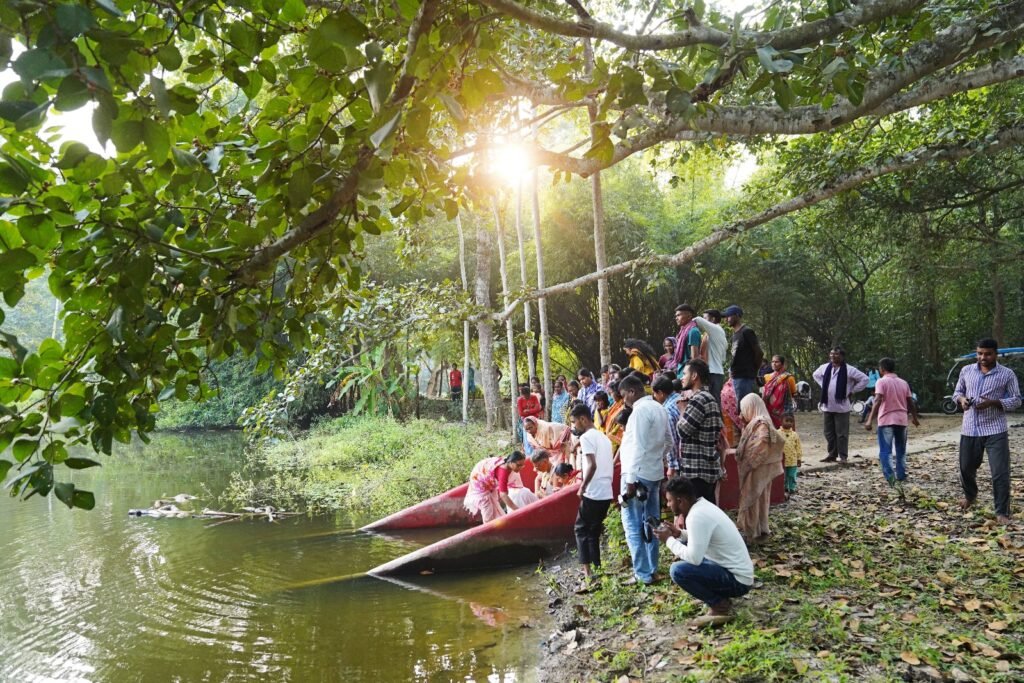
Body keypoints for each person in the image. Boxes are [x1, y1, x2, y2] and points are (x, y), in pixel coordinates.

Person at [653, 477, 754, 626]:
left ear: (680, 501)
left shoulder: (696, 516)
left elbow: (694, 558)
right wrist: (679, 534)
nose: (668, 505)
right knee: (689, 563)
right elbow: (702, 538)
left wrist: (668, 540)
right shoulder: (702, 506)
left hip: (738, 581)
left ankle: (719, 606)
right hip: (738, 574)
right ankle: (717, 597)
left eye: (669, 500)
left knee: (678, 570)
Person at [952, 339, 1021, 524]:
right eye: (980, 353)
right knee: (966, 468)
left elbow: (1016, 400)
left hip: (995, 430)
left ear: (995, 354)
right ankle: (970, 496)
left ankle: (1002, 512)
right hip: (969, 428)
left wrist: (994, 402)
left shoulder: (1007, 374)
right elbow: (957, 392)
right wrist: (962, 401)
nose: (983, 357)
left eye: (988, 354)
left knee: (1000, 472)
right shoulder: (966, 370)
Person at [617, 373, 672, 585]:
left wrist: (630, 480)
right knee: (652, 521)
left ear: (632, 391)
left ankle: (642, 573)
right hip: (654, 472)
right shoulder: (659, 408)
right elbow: (668, 441)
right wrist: (658, 459)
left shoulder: (639, 413)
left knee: (632, 523)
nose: (624, 401)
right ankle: (652, 568)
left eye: (624, 395)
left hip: (637, 474)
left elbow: (637, 447)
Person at [727, 394, 784, 543]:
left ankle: (752, 532)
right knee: (758, 498)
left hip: (757, 468)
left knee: (753, 498)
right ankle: (758, 529)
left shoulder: (761, 423)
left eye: (744, 408)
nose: (741, 414)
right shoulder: (758, 422)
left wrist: (748, 462)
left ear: (751, 407)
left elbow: (761, 445)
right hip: (758, 468)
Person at [570, 402, 615, 582]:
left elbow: (592, 465)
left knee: (580, 529)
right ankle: (597, 567)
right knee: (594, 531)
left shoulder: (587, 437)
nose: (574, 426)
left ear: (583, 419)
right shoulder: (602, 437)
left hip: (594, 491)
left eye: (575, 422)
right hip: (606, 491)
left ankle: (587, 572)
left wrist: (583, 486)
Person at [863, 357, 920, 485]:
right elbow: (910, 402)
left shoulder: (881, 382)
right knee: (901, 449)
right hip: (901, 420)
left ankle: (890, 477)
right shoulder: (903, 383)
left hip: (886, 420)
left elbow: (877, 400)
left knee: (885, 450)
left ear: (882, 369)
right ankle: (901, 475)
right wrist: (914, 418)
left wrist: (869, 420)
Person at [675, 360, 725, 505]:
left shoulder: (698, 400)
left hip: (697, 471)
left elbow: (683, 431)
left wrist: (682, 410)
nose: (682, 377)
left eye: (684, 374)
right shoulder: (709, 398)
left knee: (698, 515)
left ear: (694, 376)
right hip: (706, 468)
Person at [812, 347, 869, 463]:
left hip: (842, 407)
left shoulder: (849, 370)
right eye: (832, 354)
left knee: (841, 433)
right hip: (827, 405)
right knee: (828, 432)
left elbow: (865, 379)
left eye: (836, 354)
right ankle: (832, 454)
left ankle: (843, 456)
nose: (833, 356)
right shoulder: (825, 367)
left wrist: (852, 390)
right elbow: (816, 375)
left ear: (842, 356)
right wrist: (825, 385)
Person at [463, 451, 530, 523]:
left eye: (522, 465)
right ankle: (487, 530)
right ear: (511, 462)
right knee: (487, 509)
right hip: (479, 483)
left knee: (494, 505)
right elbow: (503, 495)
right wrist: (517, 510)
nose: (520, 468)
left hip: (487, 480)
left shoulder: (507, 464)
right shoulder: (503, 472)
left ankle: (497, 526)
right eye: (518, 465)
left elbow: (509, 489)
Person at [723, 305, 763, 404]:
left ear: (737, 315)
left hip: (745, 377)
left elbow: (759, 353)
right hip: (736, 376)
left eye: (729, 316)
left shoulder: (747, 332)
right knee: (739, 408)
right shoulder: (735, 335)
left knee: (745, 407)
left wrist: (754, 371)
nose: (726, 319)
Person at [652, 375, 684, 477]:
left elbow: (671, 440)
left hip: (680, 461)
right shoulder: (681, 399)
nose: (654, 396)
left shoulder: (666, 411)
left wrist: (672, 466)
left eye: (655, 393)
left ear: (661, 393)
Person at [694, 309, 728, 400]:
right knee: (714, 401)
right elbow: (723, 359)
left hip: (712, 372)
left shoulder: (716, 329)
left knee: (711, 401)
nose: (704, 320)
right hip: (717, 372)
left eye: (705, 318)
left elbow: (697, 320)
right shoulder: (718, 334)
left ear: (712, 319)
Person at [761, 355, 798, 428]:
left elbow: (793, 394)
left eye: (776, 362)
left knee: (785, 431)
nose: (774, 364)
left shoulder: (788, 377)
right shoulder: (766, 377)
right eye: (772, 362)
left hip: (784, 410)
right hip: (768, 410)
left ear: (782, 364)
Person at [672, 304, 704, 371]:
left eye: (679, 315)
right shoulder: (682, 332)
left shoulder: (693, 331)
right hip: (680, 371)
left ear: (689, 316)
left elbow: (694, 358)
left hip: (687, 373)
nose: (676, 318)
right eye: (676, 316)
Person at [780, 413, 803, 496]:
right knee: (783, 476)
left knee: (792, 475)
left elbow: (798, 447)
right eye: (787, 421)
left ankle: (792, 488)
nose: (789, 423)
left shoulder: (794, 434)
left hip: (792, 460)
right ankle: (784, 487)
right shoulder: (778, 433)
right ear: (781, 421)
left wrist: (799, 458)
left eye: (791, 421)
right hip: (782, 461)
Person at [516, 384, 543, 452]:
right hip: (525, 421)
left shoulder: (534, 397)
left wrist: (528, 411)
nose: (526, 397)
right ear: (522, 394)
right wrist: (532, 410)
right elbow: (521, 413)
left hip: (535, 420)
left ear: (529, 393)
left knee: (537, 435)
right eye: (524, 396)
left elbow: (538, 408)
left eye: (527, 395)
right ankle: (529, 452)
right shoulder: (519, 400)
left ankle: (538, 451)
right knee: (527, 437)